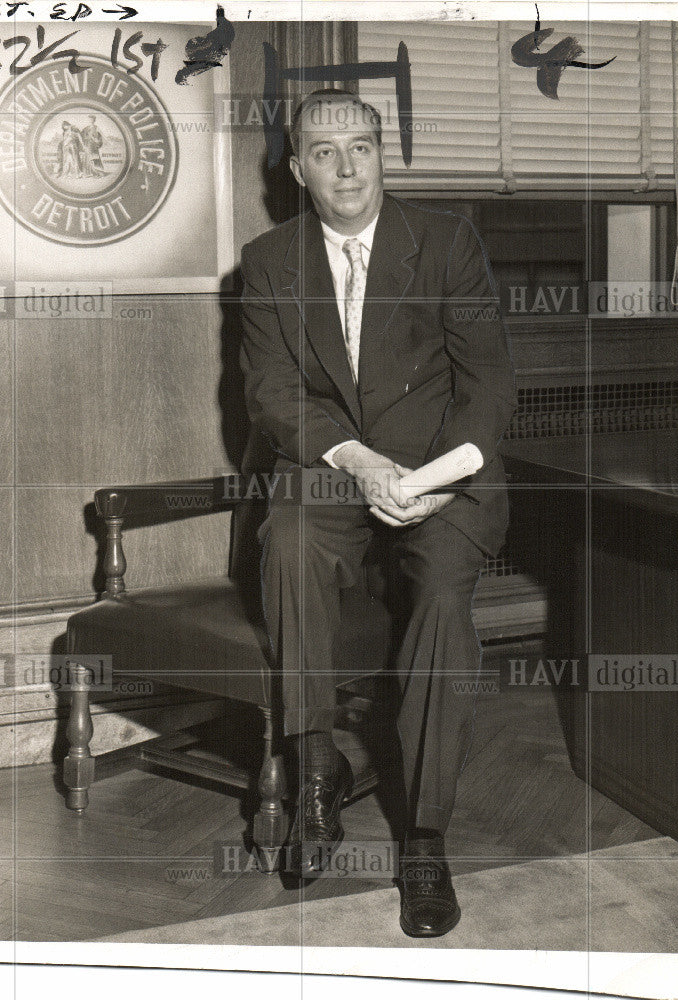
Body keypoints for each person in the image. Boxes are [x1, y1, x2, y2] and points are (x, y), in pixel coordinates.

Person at [239, 89, 516, 937]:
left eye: (360, 147)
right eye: (324, 153)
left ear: (381, 155)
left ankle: (424, 840)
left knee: (439, 596)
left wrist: (441, 473)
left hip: (439, 471)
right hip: (335, 467)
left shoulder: (444, 241)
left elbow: (488, 379)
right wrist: (356, 465)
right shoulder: (267, 259)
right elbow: (271, 392)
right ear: (297, 171)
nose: (347, 166)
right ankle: (314, 767)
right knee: (287, 536)